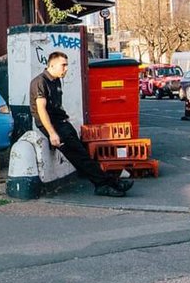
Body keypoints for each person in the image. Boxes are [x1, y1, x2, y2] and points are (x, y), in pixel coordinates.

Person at [30, 51, 133, 197]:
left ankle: (109, 182)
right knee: (80, 157)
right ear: (52, 65)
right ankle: (105, 184)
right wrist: (52, 133)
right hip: (54, 126)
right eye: (63, 65)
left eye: (66, 65)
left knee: (83, 154)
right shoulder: (40, 82)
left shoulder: (56, 80)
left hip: (62, 123)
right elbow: (41, 110)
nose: (66, 68)